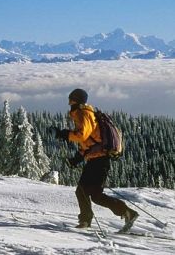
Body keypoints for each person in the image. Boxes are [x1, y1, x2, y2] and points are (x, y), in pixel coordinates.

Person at [52, 88, 138, 229]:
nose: (69, 103)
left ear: (77, 100)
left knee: (87, 192)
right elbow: (89, 142)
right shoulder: (82, 114)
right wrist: (77, 158)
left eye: (71, 99)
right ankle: (122, 213)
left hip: (99, 160)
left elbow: (82, 136)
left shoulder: (84, 113)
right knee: (89, 193)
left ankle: (90, 219)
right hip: (96, 159)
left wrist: (63, 134)